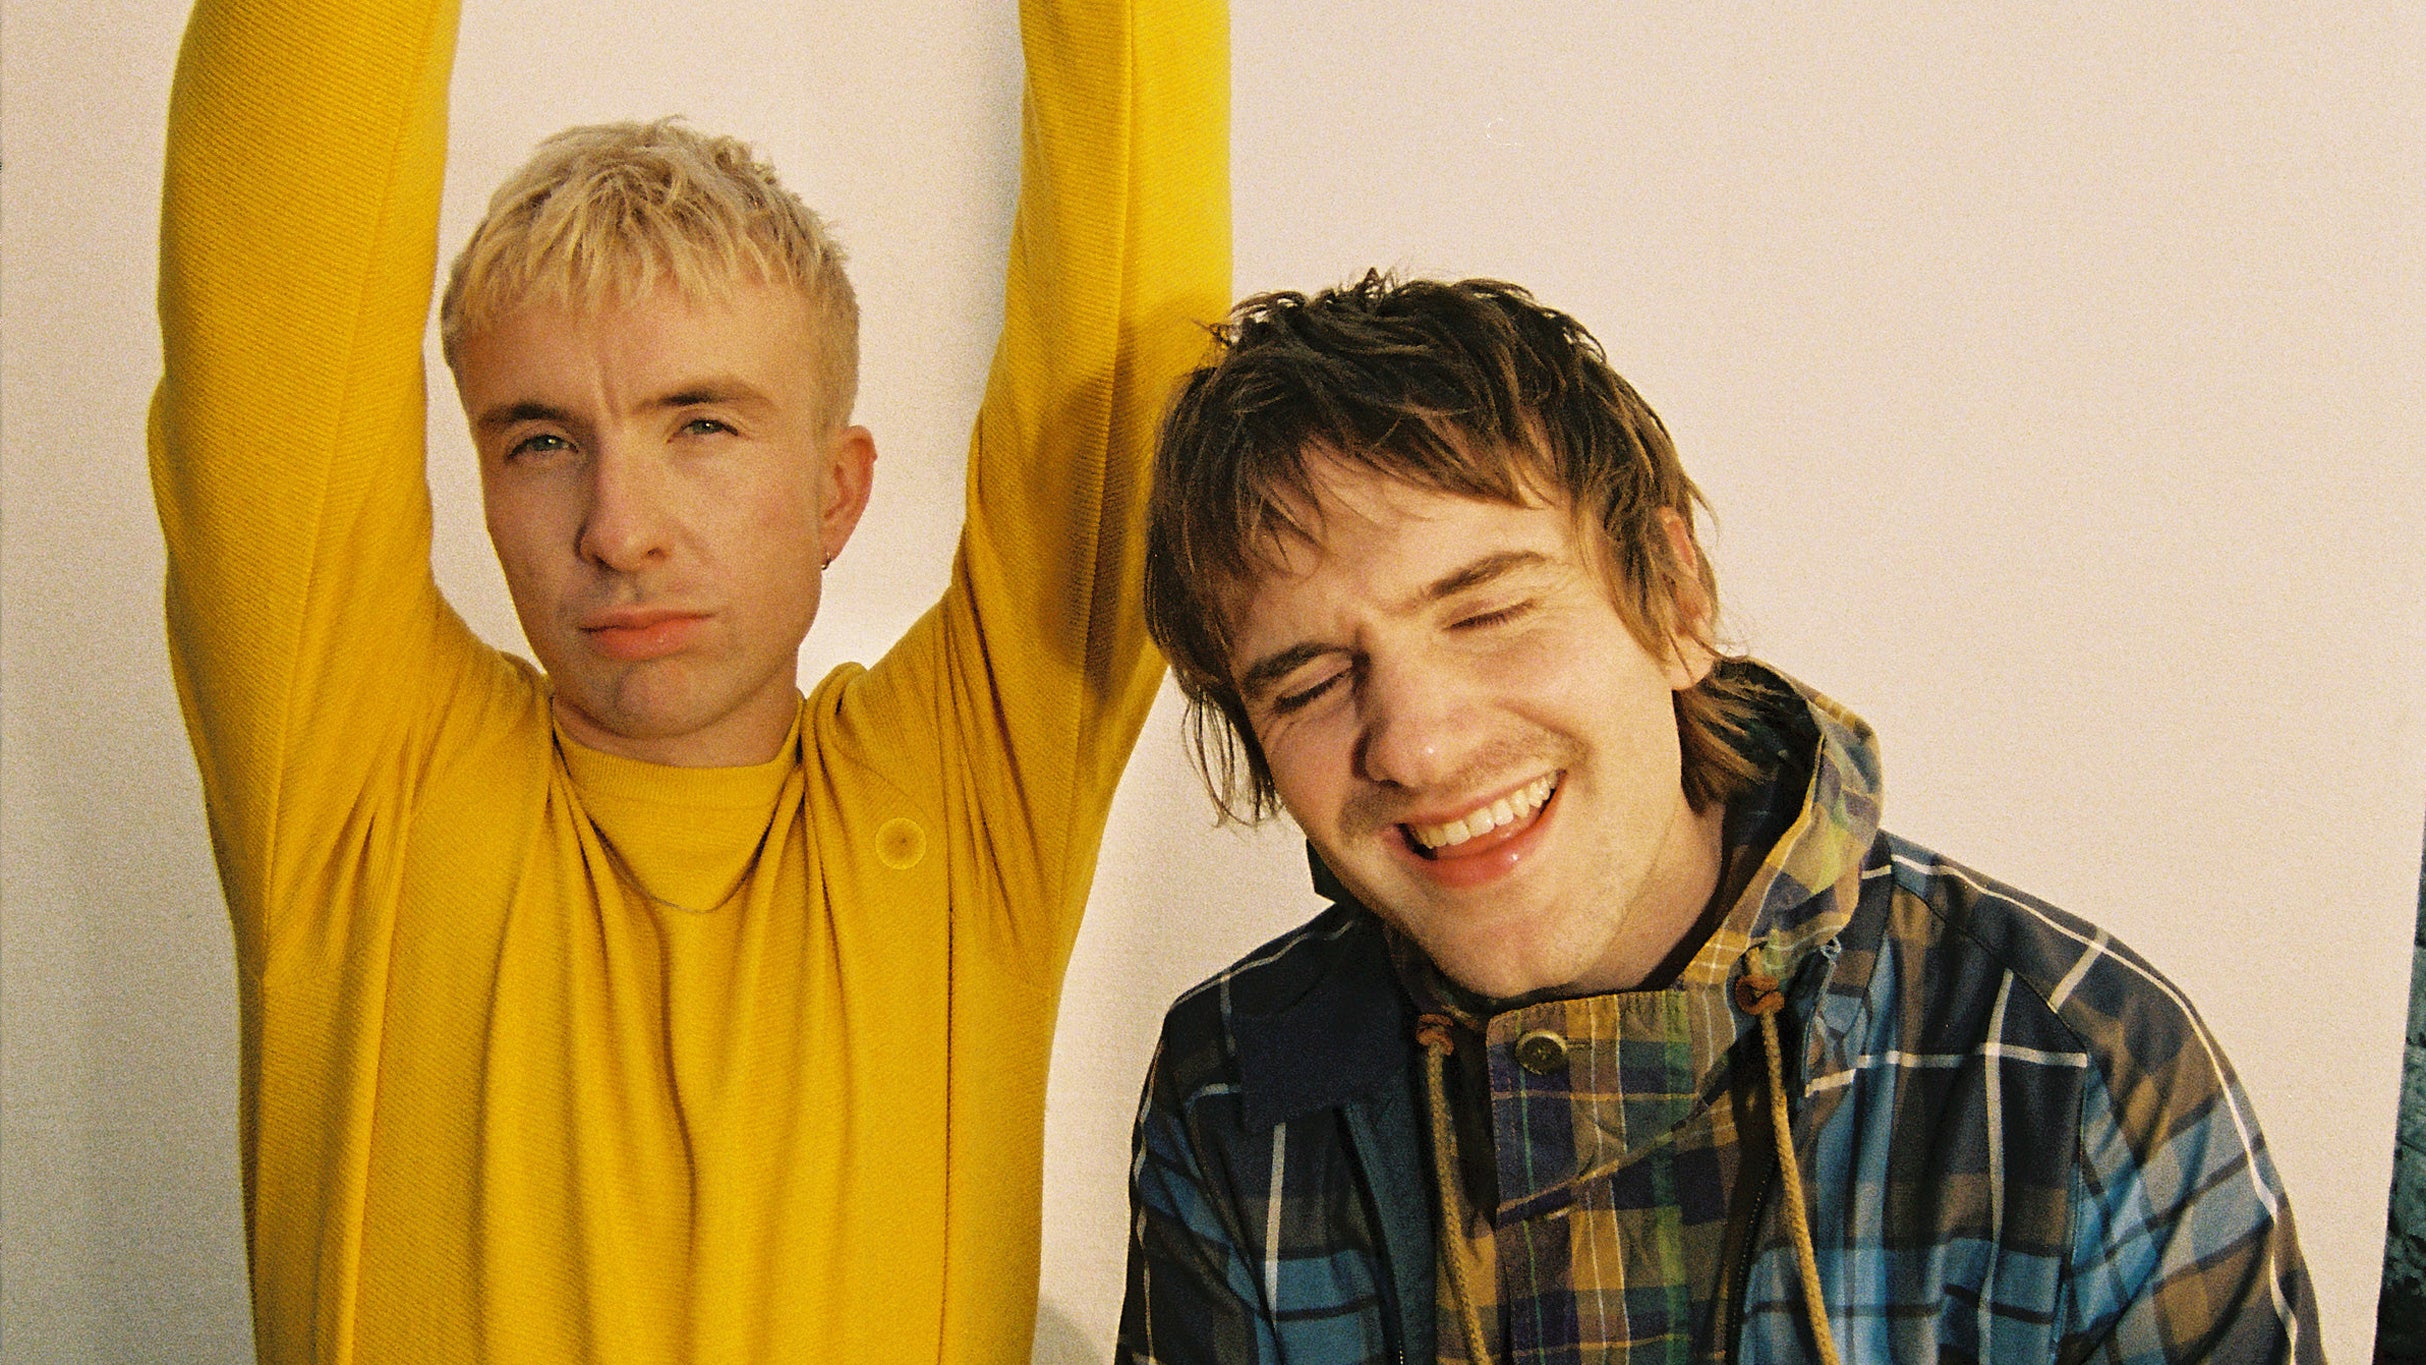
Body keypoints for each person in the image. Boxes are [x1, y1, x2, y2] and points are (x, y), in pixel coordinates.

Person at [149, 0, 1224, 1356]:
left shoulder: (966, 795)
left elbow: (1127, 327)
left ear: (834, 491)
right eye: (541, 442)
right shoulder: (363, 786)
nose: (619, 530)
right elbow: (275, 235)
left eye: (701, 423)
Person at [1117, 274, 2319, 1364]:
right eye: (1310, 683)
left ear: (1677, 600)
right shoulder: (1232, 1088)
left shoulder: (2072, 1067)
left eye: (1486, 613)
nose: (1415, 746)